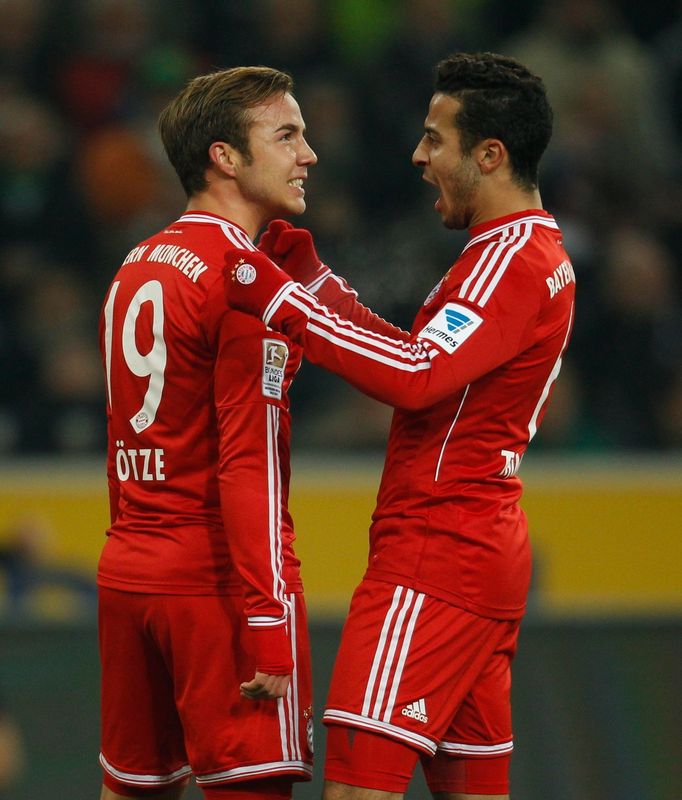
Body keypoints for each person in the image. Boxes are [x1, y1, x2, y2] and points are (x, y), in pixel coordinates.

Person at [225, 52, 575, 800]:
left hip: (434, 556)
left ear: (491, 155)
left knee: (357, 788)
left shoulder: (505, 258)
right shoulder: (529, 254)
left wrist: (282, 304)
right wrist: (321, 289)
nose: (418, 156)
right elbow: (423, 358)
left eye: (435, 139)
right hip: (480, 552)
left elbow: (415, 378)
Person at [97, 66, 317, 800]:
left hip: (130, 570)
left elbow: (118, 442)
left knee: (131, 790)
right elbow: (247, 468)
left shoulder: (136, 264)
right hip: (215, 587)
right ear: (225, 156)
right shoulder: (244, 282)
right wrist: (266, 618)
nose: (307, 154)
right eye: (286, 135)